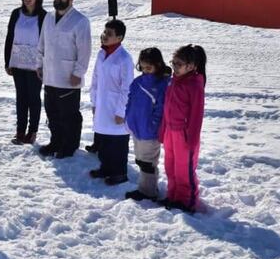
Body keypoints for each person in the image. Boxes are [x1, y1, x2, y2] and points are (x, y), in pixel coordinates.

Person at [36, 0, 92, 159]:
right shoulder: (48, 17)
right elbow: (42, 43)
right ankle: (55, 141)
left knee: (68, 114)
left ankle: (69, 145)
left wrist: (78, 73)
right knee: (52, 112)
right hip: (50, 74)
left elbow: (85, 50)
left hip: (69, 77)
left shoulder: (80, 21)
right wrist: (39, 64)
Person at [159, 44, 207, 213]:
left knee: (183, 169)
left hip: (184, 135)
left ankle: (187, 201)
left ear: (192, 66)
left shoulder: (194, 85)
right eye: (174, 63)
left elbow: (196, 115)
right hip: (170, 132)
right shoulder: (173, 81)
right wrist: (163, 130)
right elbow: (166, 108)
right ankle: (173, 195)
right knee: (170, 166)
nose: (175, 67)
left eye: (179, 64)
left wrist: (192, 139)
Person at [88, 19, 134, 184]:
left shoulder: (124, 59)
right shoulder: (102, 53)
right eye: (105, 32)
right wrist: (94, 102)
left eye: (109, 34)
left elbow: (127, 88)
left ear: (119, 38)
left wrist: (121, 112)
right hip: (102, 105)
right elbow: (95, 79)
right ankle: (105, 167)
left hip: (116, 107)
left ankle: (120, 173)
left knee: (118, 142)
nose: (104, 36)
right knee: (105, 140)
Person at [124, 48, 172, 202]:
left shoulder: (162, 85)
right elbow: (130, 100)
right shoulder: (138, 82)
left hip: (150, 132)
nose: (145, 71)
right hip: (136, 128)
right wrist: (128, 118)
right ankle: (146, 187)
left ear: (158, 65)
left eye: (149, 68)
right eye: (143, 67)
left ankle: (148, 192)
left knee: (148, 162)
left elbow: (160, 110)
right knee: (140, 159)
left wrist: (152, 126)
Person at [4, 0, 47, 145]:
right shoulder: (16, 14)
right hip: (17, 62)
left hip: (35, 64)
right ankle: (20, 131)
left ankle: (32, 132)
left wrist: (44, 65)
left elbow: (46, 42)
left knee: (33, 98)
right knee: (21, 98)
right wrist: (7, 61)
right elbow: (9, 37)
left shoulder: (43, 16)